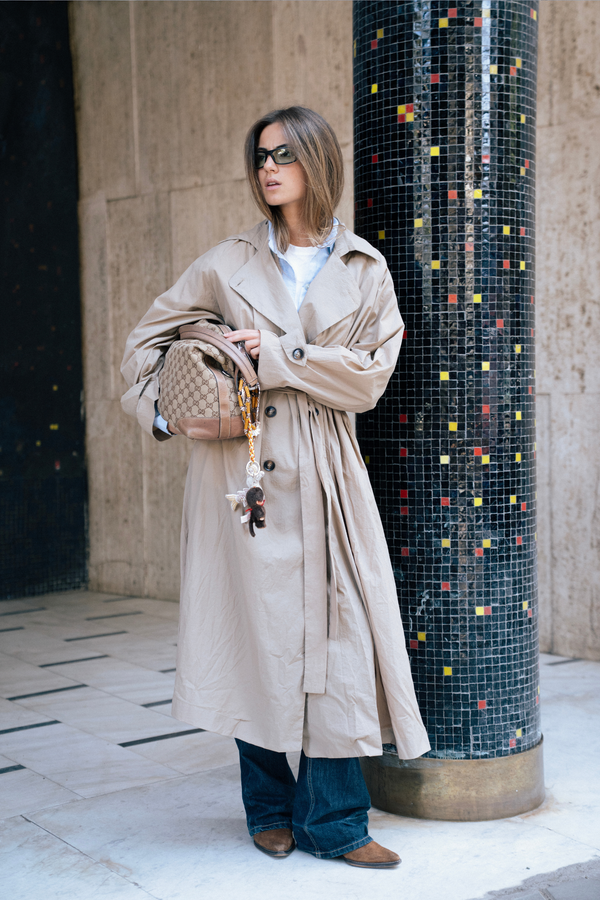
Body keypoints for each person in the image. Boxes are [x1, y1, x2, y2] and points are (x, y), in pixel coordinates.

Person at [121, 106, 430, 868]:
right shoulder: (225, 264)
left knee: (341, 643)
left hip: (326, 471)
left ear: (318, 161)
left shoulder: (364, 268)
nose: (268, 166)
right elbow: (146, 341)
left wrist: (282, 353)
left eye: (285, 153)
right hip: (241, 474)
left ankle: (335, 823)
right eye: (261, 154)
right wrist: (168, 414)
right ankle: (267, 808)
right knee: (251, 636)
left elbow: (369, 378)